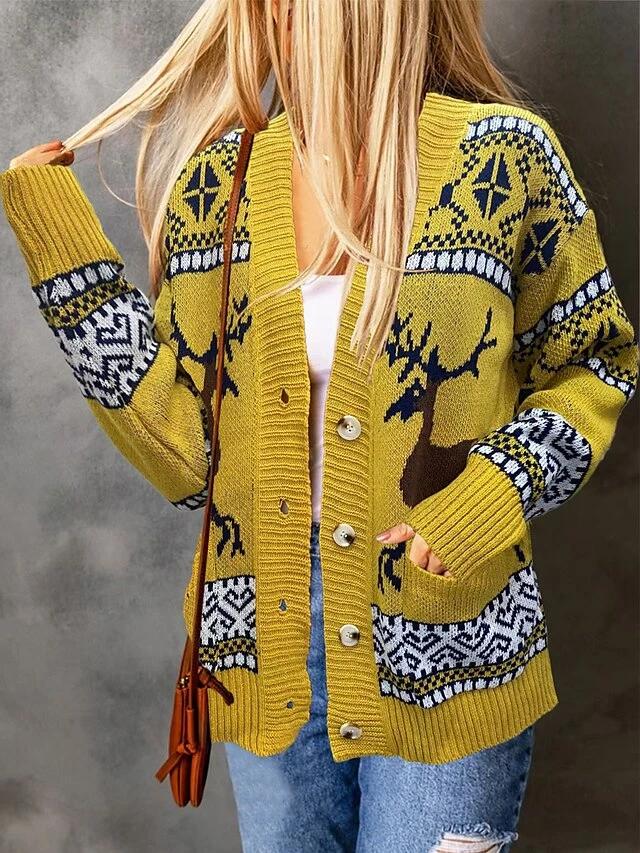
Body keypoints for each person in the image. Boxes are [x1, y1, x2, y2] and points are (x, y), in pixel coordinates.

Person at [1, 1, 638, 850]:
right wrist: (62, 248)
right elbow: (186, 459)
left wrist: (489, 495)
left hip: (451, 646)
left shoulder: (503, 159)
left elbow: (593, 363)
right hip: (263, 644)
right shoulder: (217, 186)